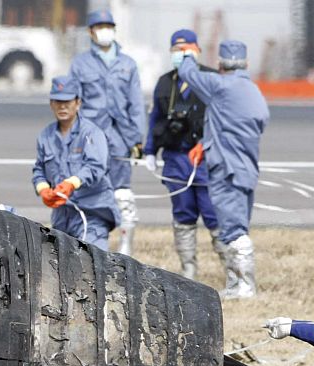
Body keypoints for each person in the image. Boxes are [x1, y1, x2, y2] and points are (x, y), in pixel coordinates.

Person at [177, 40, 269, 298]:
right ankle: (235, 283)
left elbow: (188, 74)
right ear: (246, 64)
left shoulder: (219, 85)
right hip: (246, 168)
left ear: (220, 65)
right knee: (238, 225)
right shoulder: (253, 90)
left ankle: (245, 285)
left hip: (226, 170)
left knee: (233, 230)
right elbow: (261, 121)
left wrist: (188, 55)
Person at [142, 29, 220, 280]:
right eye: (176, 50)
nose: (181, 54)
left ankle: (232, 270)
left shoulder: (211, 78)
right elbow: (155, 117)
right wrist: (151, 150)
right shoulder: (166, 82)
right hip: (176, 156)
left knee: (213, 213)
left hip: (205, 157)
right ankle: (189, 269)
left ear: (197, 49)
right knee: (183, 213)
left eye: (185, 49)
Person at [69, 9, 146, 255]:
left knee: (122, 193)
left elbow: (136, 104)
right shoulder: (80, 64)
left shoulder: (127, 64)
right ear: (91, 32)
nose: (105, 31)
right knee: (89, 190)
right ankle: (92, 246)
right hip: (90, 137)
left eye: (108, 26)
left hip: (121, 137)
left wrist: (137, 139)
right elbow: (71, 102)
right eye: (99, 26)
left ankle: (125, 249)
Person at [32, 75, 120, 250]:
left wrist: (72, 183)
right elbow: (39, 169)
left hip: (91, 212)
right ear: (51, 104)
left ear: (78, 103)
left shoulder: (91, 133)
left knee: (92, 263)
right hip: (62, 216)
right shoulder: (45, 136)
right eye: (58, 101)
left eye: (67, 101)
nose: (62, 106)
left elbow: (96, 167)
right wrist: (43, 189)